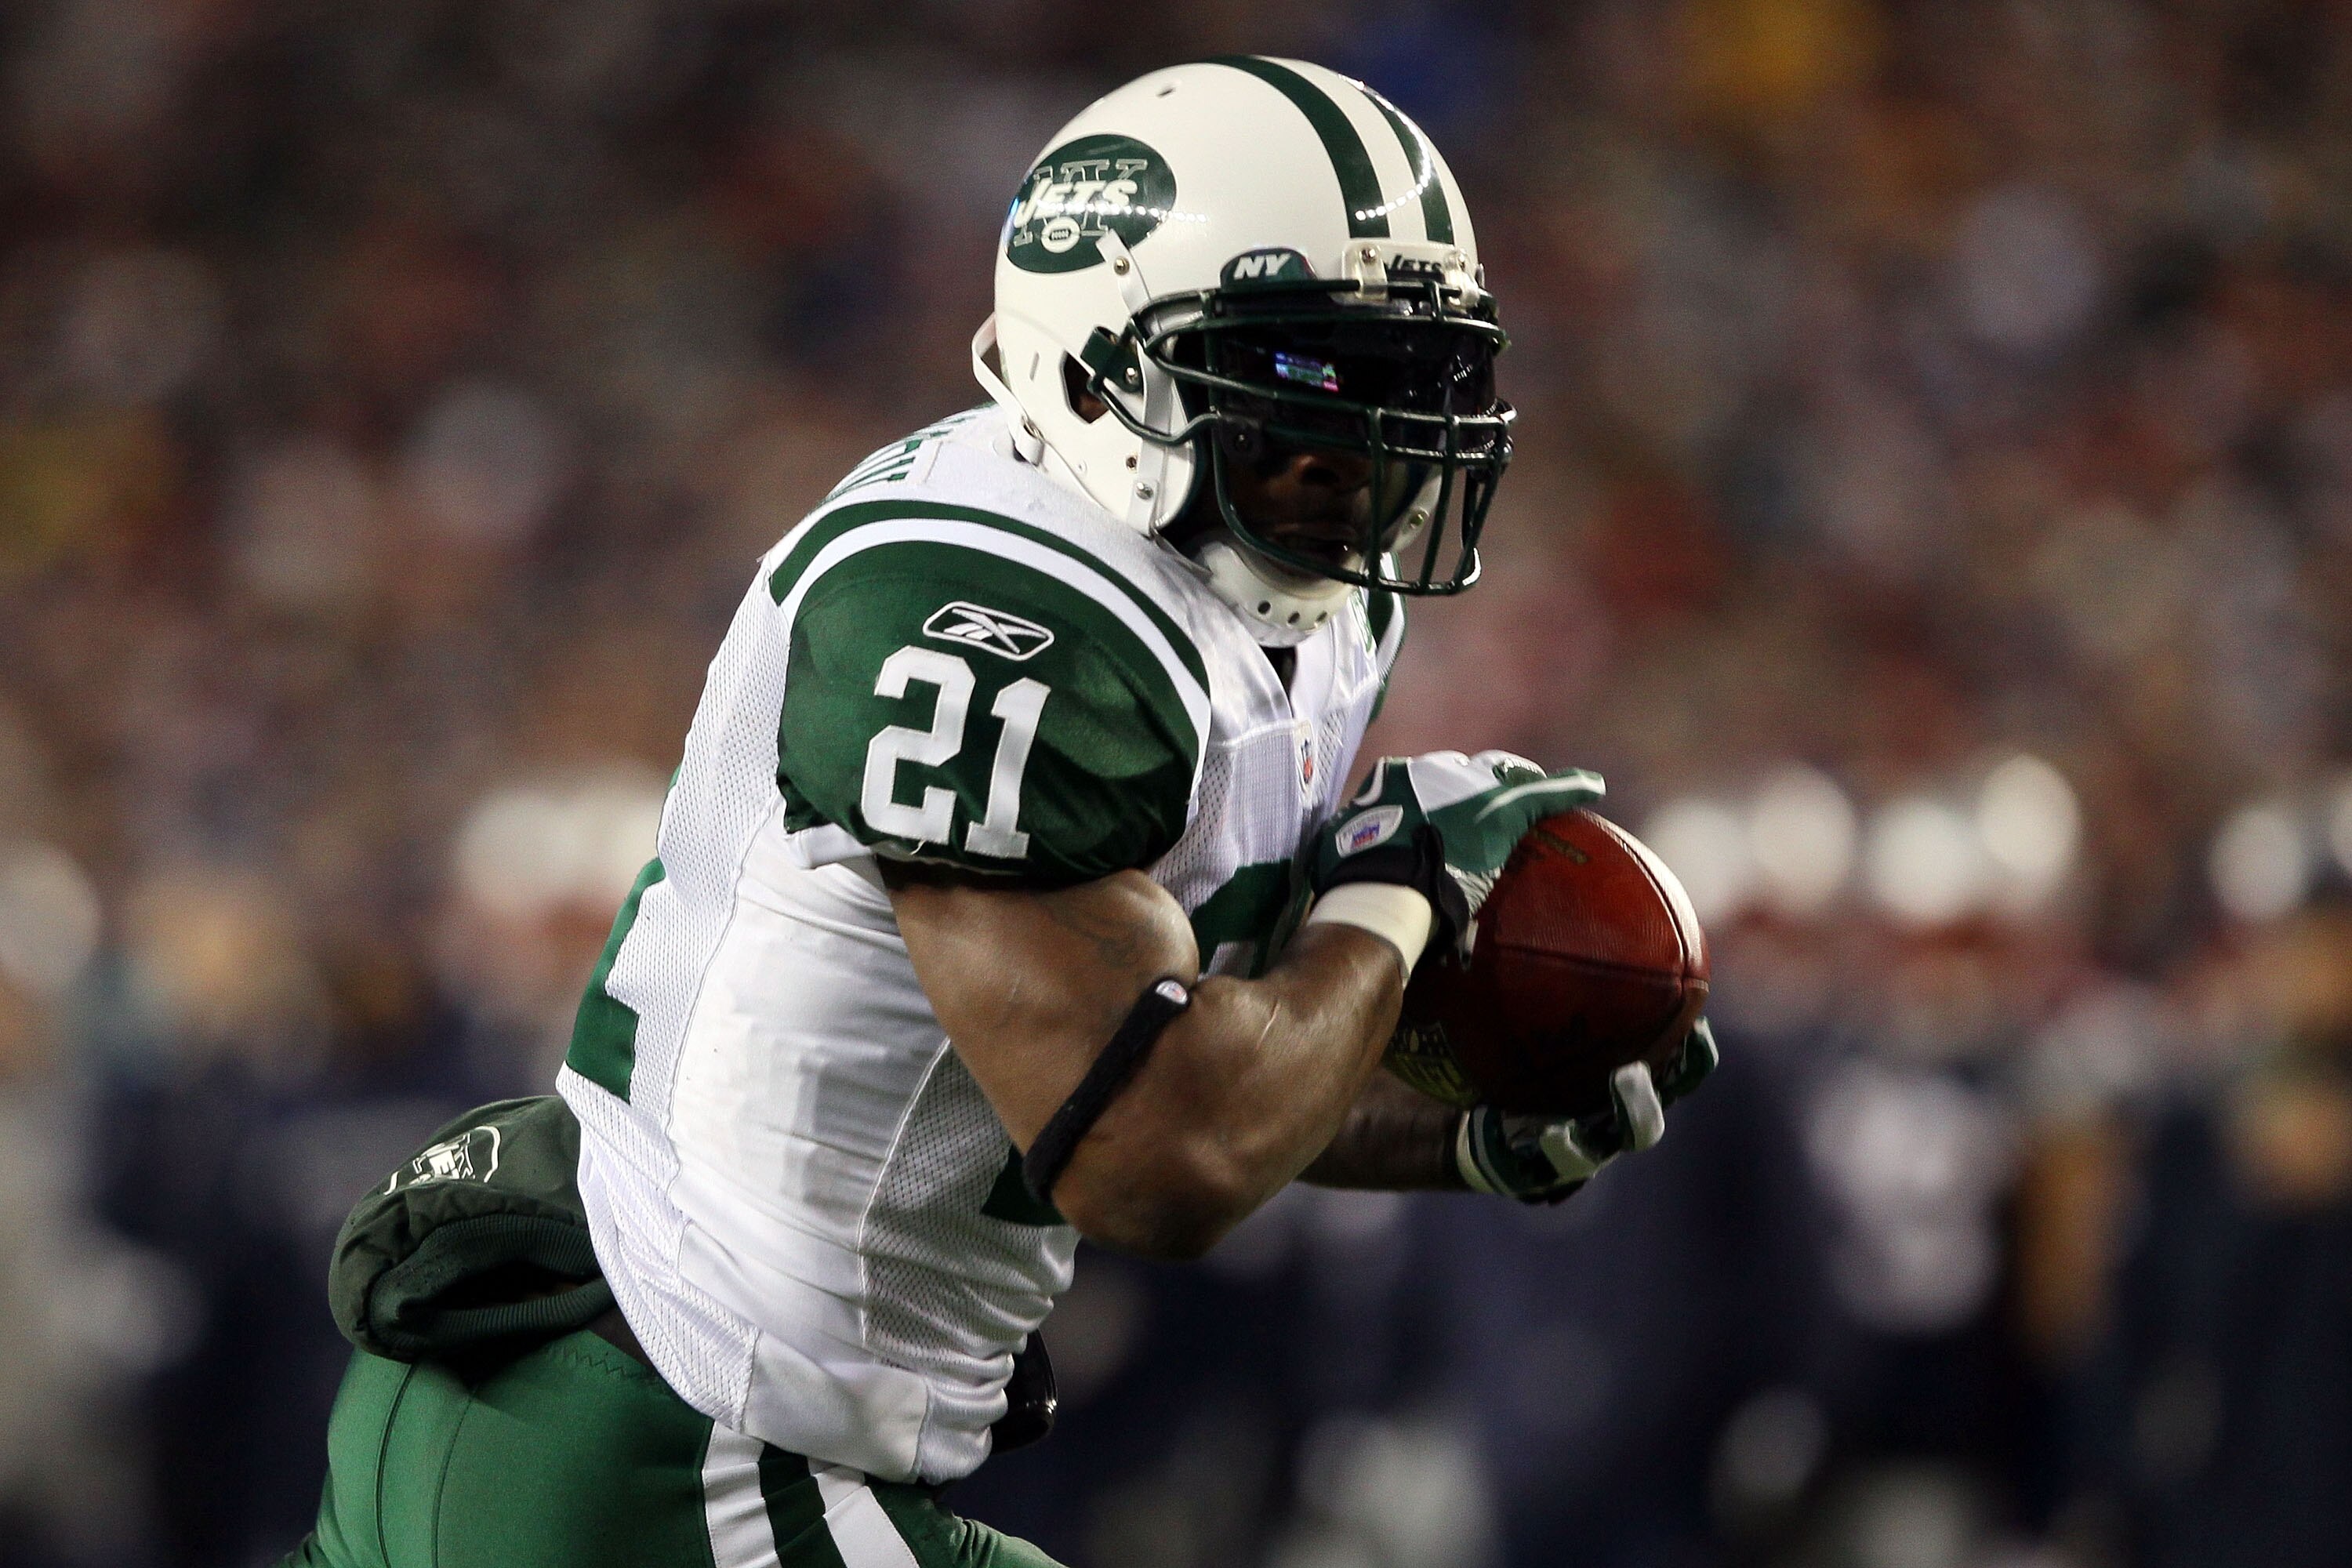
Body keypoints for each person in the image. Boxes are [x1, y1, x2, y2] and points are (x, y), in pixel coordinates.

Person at [285, 56, 1713, 1568]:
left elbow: (1191, 1040)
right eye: (1300, 373)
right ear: (1099, 366)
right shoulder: (988, 607)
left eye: (1406, 382)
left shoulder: (1293, 594)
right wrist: (1397, 899)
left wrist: (1452, 1135)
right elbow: (1152, 1152)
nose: (1356, 447)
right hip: (655, 1442)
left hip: (675, 1427)